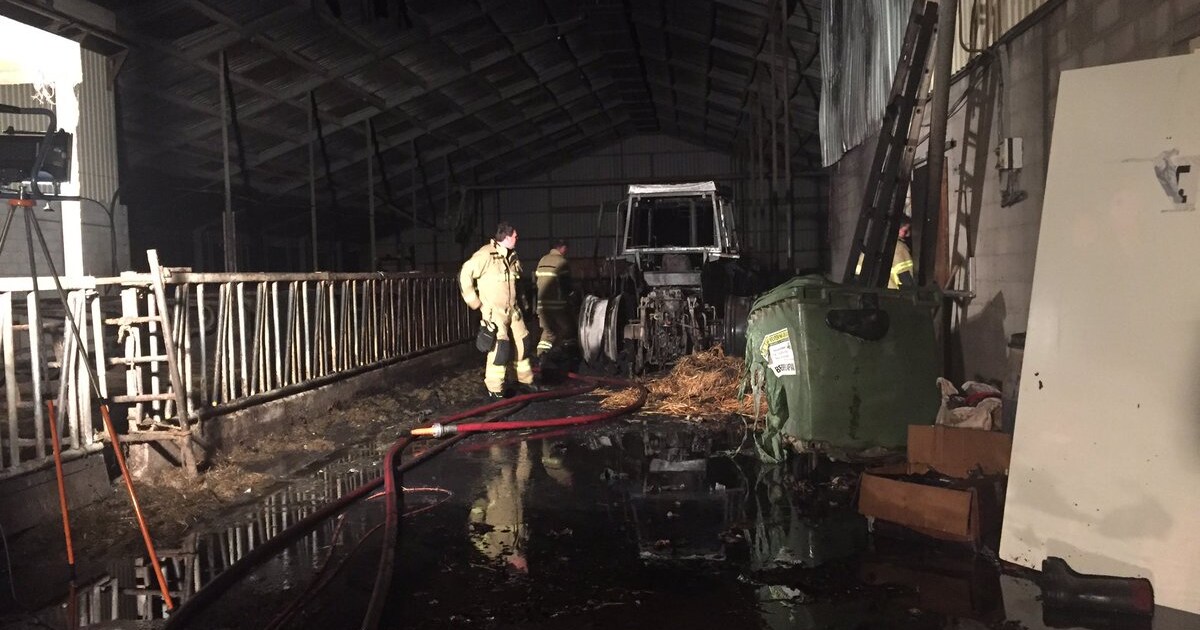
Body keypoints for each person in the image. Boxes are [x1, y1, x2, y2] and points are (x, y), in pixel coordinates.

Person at [460, 222, 538, 399]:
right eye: (515, 236)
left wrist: (523, 304)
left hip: (513, 309)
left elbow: (517, 283)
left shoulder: (512, 256)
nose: (517, 238)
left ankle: (524, 381)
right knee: (500, 348)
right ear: (507, 236)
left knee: (523, 343)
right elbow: (464, 274)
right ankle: (495, 388)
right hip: (494, 311)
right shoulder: (485, 254)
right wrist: (475, 303)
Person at [534, 238, 578, 358]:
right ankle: (561, 355)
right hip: (557, 306)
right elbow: (566, 285)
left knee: (548, 332)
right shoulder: (562, 262)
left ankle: (541, 355)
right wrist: (571, 298)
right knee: (567, 330)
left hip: (542, 305)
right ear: (562, 248)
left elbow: (536, 281)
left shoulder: (542, 260)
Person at [890, 216, 915, 289]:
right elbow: (905, 278)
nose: (908, 234)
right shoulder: (899, 248)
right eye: (905, 231)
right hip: (894, 296)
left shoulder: (873, 243)